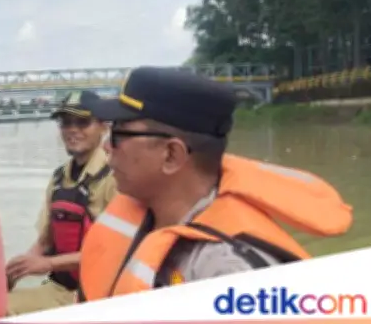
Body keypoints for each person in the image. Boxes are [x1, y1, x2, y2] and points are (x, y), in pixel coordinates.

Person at [76, 66, 353, 302]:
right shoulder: (146, 213)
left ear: (172, 155)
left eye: (118, 135)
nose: (106, 147)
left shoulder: (230, 276)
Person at [5, 91, 117, 316]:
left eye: (83, 122)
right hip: (59, 287)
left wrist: (48, 265)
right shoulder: (58, 178)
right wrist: (20, 267)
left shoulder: (114, 178)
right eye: (66, 123)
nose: (73, 130)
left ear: (104, 127)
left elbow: (116, 252)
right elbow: (45, 242)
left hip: (96, 294)